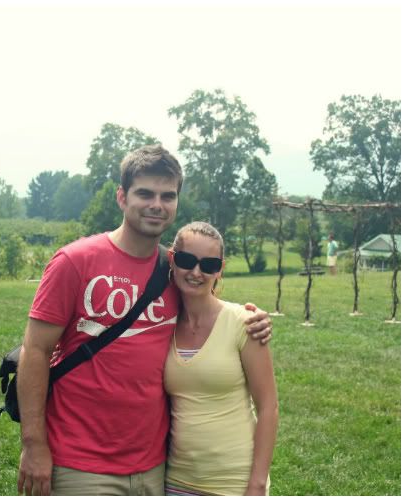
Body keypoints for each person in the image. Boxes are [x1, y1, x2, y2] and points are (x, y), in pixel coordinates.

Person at [16, 145, 273, 496]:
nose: (157, 204)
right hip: (80, 460)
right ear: (122, 197)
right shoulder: (75, 261)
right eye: (145, 193)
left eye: (168, 196)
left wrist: (252, 317)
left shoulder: (175, 269)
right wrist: (34, 444)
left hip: (154, 467)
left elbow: (207, 304)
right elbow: (35, 350)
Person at [163, 222, 278, 495]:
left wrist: (257, 483)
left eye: (209, 265)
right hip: (175, 480)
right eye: (187, 260)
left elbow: (268, 408)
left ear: (220, 269)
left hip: (233, 482)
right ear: (172, 259)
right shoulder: (162, 322)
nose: (196, 272)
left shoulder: (244, 323)